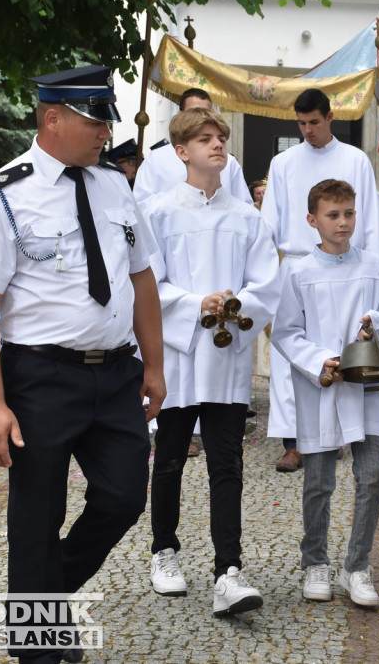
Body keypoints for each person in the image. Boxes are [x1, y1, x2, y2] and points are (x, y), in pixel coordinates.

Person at [0, 64, 165, 664]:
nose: (105, 132)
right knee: (38, 510)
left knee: (123, 497)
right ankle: (39, 644)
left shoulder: (115, 186)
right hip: (40, 376)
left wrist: (154, 364)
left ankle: (36, 606)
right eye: (94, 120)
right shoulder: (1, 195)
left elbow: (141, 278)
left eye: (105, 120)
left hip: (116, 370)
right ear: (52, 118)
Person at [143, 107, 280, 615]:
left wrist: (235, 305)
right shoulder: (158, 213)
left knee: (227, 464)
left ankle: (229, 569)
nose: (218, 145)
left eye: (221, 137)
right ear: (181, 152)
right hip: (178, 356)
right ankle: (164, 552)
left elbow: (267, 282)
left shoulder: (246, 216)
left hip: (224, 354)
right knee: (172, 459)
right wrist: (192, 303)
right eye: (205, 139)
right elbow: (146, 284)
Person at [271, 179, 379, 608]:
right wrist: (318, 361)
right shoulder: (298, 271)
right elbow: (286, 331)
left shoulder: (375, 267)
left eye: (348, 214)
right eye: (332, 215)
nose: (342, 223)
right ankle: (315, 561)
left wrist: (375, 323)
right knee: (319, 480)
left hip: (364, 387)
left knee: (374, 471)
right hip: (323, 388)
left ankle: (357, 565)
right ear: (313, 220)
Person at [261, 87, 379, 472]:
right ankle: (294, 441)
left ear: (330, 117)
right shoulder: (283, 163)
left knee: (344, 351)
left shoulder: (355, 159)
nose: (307, 130)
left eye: (314, 122)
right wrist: (266, 277)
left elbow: (371, 223)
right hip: (298, 263)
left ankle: (343, 433)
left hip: (349, 266)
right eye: (301, 123)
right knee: (292, 356)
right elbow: (268, 224)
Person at [132, 87, 253, 206]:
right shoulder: (157, 159)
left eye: (206, 112)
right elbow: (141, 206)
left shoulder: (229, 162)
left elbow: (243, 205)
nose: (201, 117)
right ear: (180, 115)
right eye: (193, 112)